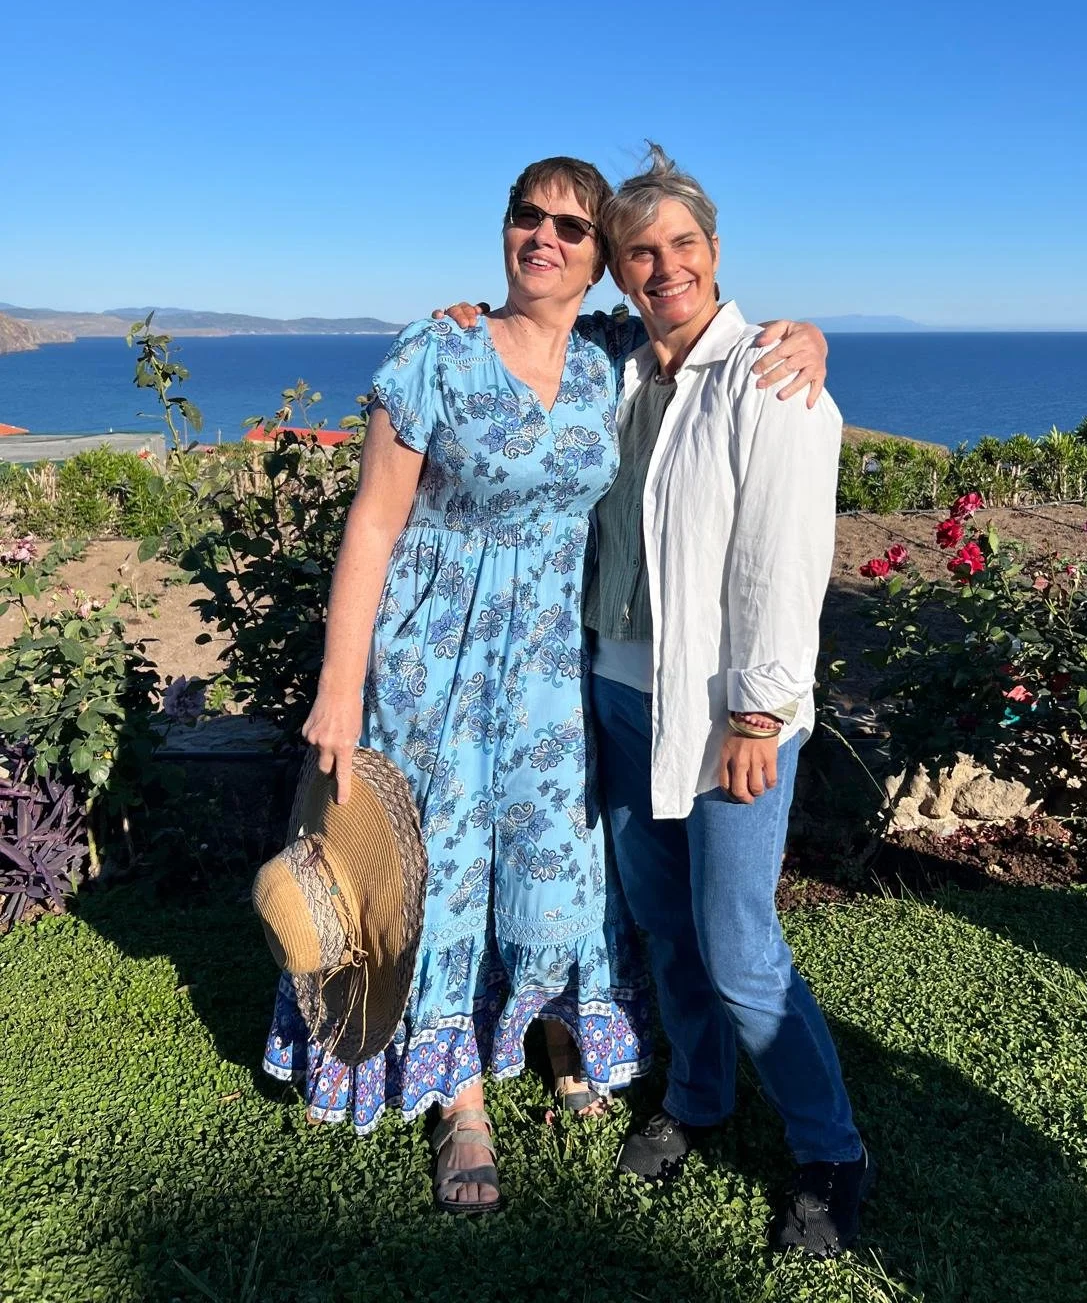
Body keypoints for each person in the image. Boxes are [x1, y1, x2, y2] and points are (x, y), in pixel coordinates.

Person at [262, 154, 829, 1215]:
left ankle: (556, 1024)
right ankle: (462, 1101)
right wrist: (340, 687)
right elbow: (374, 522)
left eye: (575, 229)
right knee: (446, 864)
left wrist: (802, 336)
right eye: (531, 217)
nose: (548, 239)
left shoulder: (609, 356)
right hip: (432, 659)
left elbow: (706, 348)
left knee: (558, 858)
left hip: (551, 671)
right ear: (505, 227)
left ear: (599, 266)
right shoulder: (439, 350)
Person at [585, 146, 871, 1259]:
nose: (664, 268)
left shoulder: (772, 376)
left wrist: (759, 713)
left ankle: (830, 1150)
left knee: (739, 939)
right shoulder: (614, 366)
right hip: (614, 692)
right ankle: (698, 1099)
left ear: (714, 252)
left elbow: (786, 559)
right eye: (641, 252)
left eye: (683, 247)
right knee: (661, 920)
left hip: (721, 712)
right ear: (618, 272)